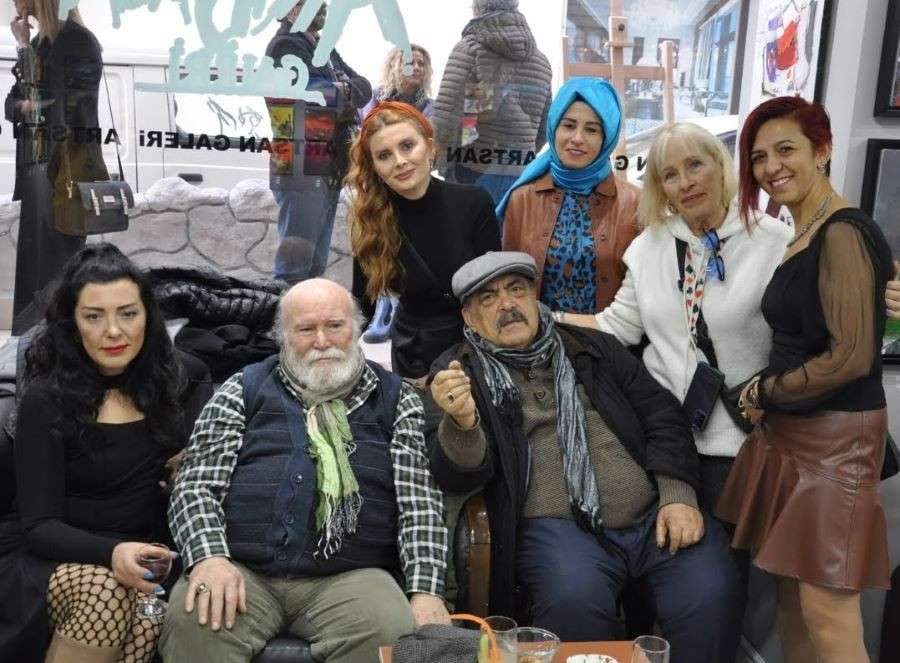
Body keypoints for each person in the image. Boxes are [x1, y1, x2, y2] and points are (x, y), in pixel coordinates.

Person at [426, 252, 742, 663]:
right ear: (469, 318)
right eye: (488, 298)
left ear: (534, 295)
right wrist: (463, 423)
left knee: (709, 588)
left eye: (516, 290)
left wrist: (678, 494)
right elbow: (457, 476)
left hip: (652, 516)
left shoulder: (591, 347)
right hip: (557, 531)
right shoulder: (458, 372)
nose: (507, 305)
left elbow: (661, 414)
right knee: (573, 598)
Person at [160, 278, 449, 663]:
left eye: (335, 325)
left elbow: (420, 504)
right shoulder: (242, 388)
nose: (322, 341)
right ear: (283, 337)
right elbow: (195, 486)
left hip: (353, 579)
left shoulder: (397, 400)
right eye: (306, 329)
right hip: (242, 571)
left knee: (389, 628)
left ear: (357, 329)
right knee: (196, 619)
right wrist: (209, 558)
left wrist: (426, 591)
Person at [717, 96, 894, 663]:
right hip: (793, 437)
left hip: (836, 442)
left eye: (786, 149)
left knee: (828, 613)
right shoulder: (804, 231)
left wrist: (762, 391)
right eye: (759, 157)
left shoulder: (842, 231)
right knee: (793, 603)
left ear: (822, 150)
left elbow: (850, 359)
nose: (771, 167)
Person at [556, 122, 791, 518]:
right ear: (660, 188)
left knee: (739, 552)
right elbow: (617, 327)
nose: (685, 182)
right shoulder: (648, 247)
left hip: (745, 443)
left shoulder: (774, 241)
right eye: (670, 175)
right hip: (669, 443)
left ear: (720, 165)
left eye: (695, 165)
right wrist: (547, 319)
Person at [0, 243, 212, 663]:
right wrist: (113, 555)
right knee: (106, 594)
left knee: (150, 615)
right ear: (72, 325)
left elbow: (200, 458)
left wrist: (189, 461)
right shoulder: (46, 399)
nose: (114, 331)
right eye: (94, 317)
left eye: (128, 314)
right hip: (47, 558)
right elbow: (40, 526)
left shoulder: (178, 381)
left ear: (148, 317)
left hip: (139, 556)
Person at [348, 101, 500, 379]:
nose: (399, 161)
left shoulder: (474, 203)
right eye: (384, 155)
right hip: (411, 357)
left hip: (472, 352)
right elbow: (362, 305)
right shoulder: (371, 219)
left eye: (407, 146)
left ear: (429, 147)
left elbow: (492, 290)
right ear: (375, 167)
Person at [6, 0, 106, 334]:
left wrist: (25, 56)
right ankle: (34, 347)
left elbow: (56, 109)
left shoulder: (79, 41)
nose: (14, 2)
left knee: (57, 272)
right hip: (38, 170)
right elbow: (12, 104)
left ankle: (57, 346)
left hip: (64, 173)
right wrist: (25, 49)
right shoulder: (39, 43)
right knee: (34, 271)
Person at [498, 77, 639, 312]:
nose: (577, 138)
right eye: (569, 125)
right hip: (540, 332)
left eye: (591, 130)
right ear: (554, 128)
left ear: (606, 139)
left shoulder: (634, 202)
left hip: (607, 333)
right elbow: (510, 282)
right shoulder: (522, 199)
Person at [265, 0, 371, 284]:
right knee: (295, 268)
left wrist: (340, 91)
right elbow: (311, 99)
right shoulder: (285, 46)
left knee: (315, 266)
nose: (323, 5)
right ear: (292, 9)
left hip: (328, 164)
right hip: (301, 163)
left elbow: (364, 87)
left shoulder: (324, 47)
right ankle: (289, 313)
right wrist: (341, 91)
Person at [431, 0, 552, 204]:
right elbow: (545, 125)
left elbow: (447, 118)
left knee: (467, 224)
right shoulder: (542, 61)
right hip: (521, 170)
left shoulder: (470, 49)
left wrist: (437, 161)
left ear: (478, 9)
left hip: (472, 168)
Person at [360, 43, 434, 119]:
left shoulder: (429, 107)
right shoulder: (375, 98)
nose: (416, 67)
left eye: (421, 64)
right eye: (410, 63)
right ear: (394, 66)